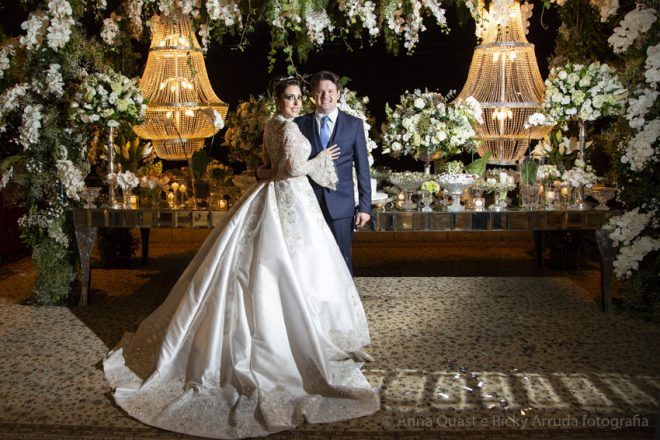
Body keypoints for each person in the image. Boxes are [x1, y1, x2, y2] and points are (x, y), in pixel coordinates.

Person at [103, 76, 380, 439]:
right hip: (291, 198)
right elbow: (292, 169)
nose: (297, 103)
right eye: (291, 98)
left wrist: (282, 172)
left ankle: (316, 328)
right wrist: (320, 160)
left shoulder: (273, 125)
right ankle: (297, 339)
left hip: (283, 197)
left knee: (290, 265)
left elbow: (267, 166)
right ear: (279, 100)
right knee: (283, 267)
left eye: (299, 97)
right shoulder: (288, 127)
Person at [294, 71, 372, 274]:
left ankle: (346, 295)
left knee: (341, 258)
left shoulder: (354, 124)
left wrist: (365, 207)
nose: (325, 96)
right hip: (308, 202)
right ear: (313, 94)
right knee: (310, 260)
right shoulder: (298, 125)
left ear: (338, 94)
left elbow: (362, 168)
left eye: (330, 91)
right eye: (320, 91)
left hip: (341, 205)